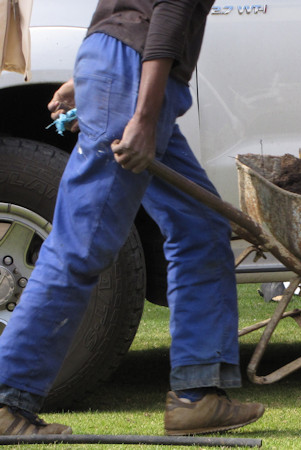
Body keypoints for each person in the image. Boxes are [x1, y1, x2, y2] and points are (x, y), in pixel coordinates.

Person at [0, 0, 264, 436]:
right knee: (80, 243)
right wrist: (141, 118)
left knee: (200, 226)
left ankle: (196, 397)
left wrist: (85, 78)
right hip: (133, 81)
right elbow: (167, 17)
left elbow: (126, 13)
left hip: (118, 68)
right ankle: (9, 399)